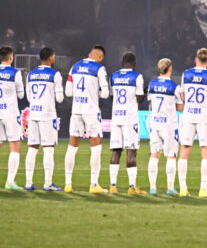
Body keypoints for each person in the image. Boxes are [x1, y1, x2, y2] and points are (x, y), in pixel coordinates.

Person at [64, 45, 110, 193]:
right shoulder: (99, 69)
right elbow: (105, 94)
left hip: (76, 110)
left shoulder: (75, 67)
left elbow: (68, 92)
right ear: (100, 57)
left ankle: (68, 184)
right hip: (91, 111)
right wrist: (94, 92)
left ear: (90, 54)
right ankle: (94, 184)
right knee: (96, 147)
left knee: (72, 147)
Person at [178, 48, 207, 197]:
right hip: (204, 117)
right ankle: (203, 189)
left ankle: (183, 189)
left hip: (188, 115)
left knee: (184, 149)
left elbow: (182, 96)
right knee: (206, 151)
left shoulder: (186, 74)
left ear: (196, 59)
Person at [25, 46, 65, 191]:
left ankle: (28, 182)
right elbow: (60, 99)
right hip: (47, 115)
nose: (54, 58)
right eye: (54, 56)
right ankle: (48, 183)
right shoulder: (55, 74)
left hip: (33, 113)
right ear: (49, 58)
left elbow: (29, 97)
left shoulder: (31, 74)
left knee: (32, 148)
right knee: (48, 148)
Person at [0, 45, 25, 190]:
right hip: (11, 113)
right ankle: (9, 182)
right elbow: (21, 95)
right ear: (11, 57)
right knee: (14, 147)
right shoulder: (15, 73)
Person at [108, 52, 145, 195]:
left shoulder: (113, 76)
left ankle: (113, 186)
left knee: (116, 151)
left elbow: (112, 96)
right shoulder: (137, 77)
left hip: (117, 117)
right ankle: (132, 187)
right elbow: (139, 98)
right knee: (131, 152)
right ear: (134, 64)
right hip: (130, 119)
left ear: (122, 63)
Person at [146, 58, 184, 195]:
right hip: (169, 125)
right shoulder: (174, 87)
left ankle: (152, 188)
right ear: (170, 69)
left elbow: (151, 102)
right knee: (171, 156)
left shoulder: (151, 84)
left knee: (154, 155)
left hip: (155, 123)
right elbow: (180, 108)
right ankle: (170, 188)